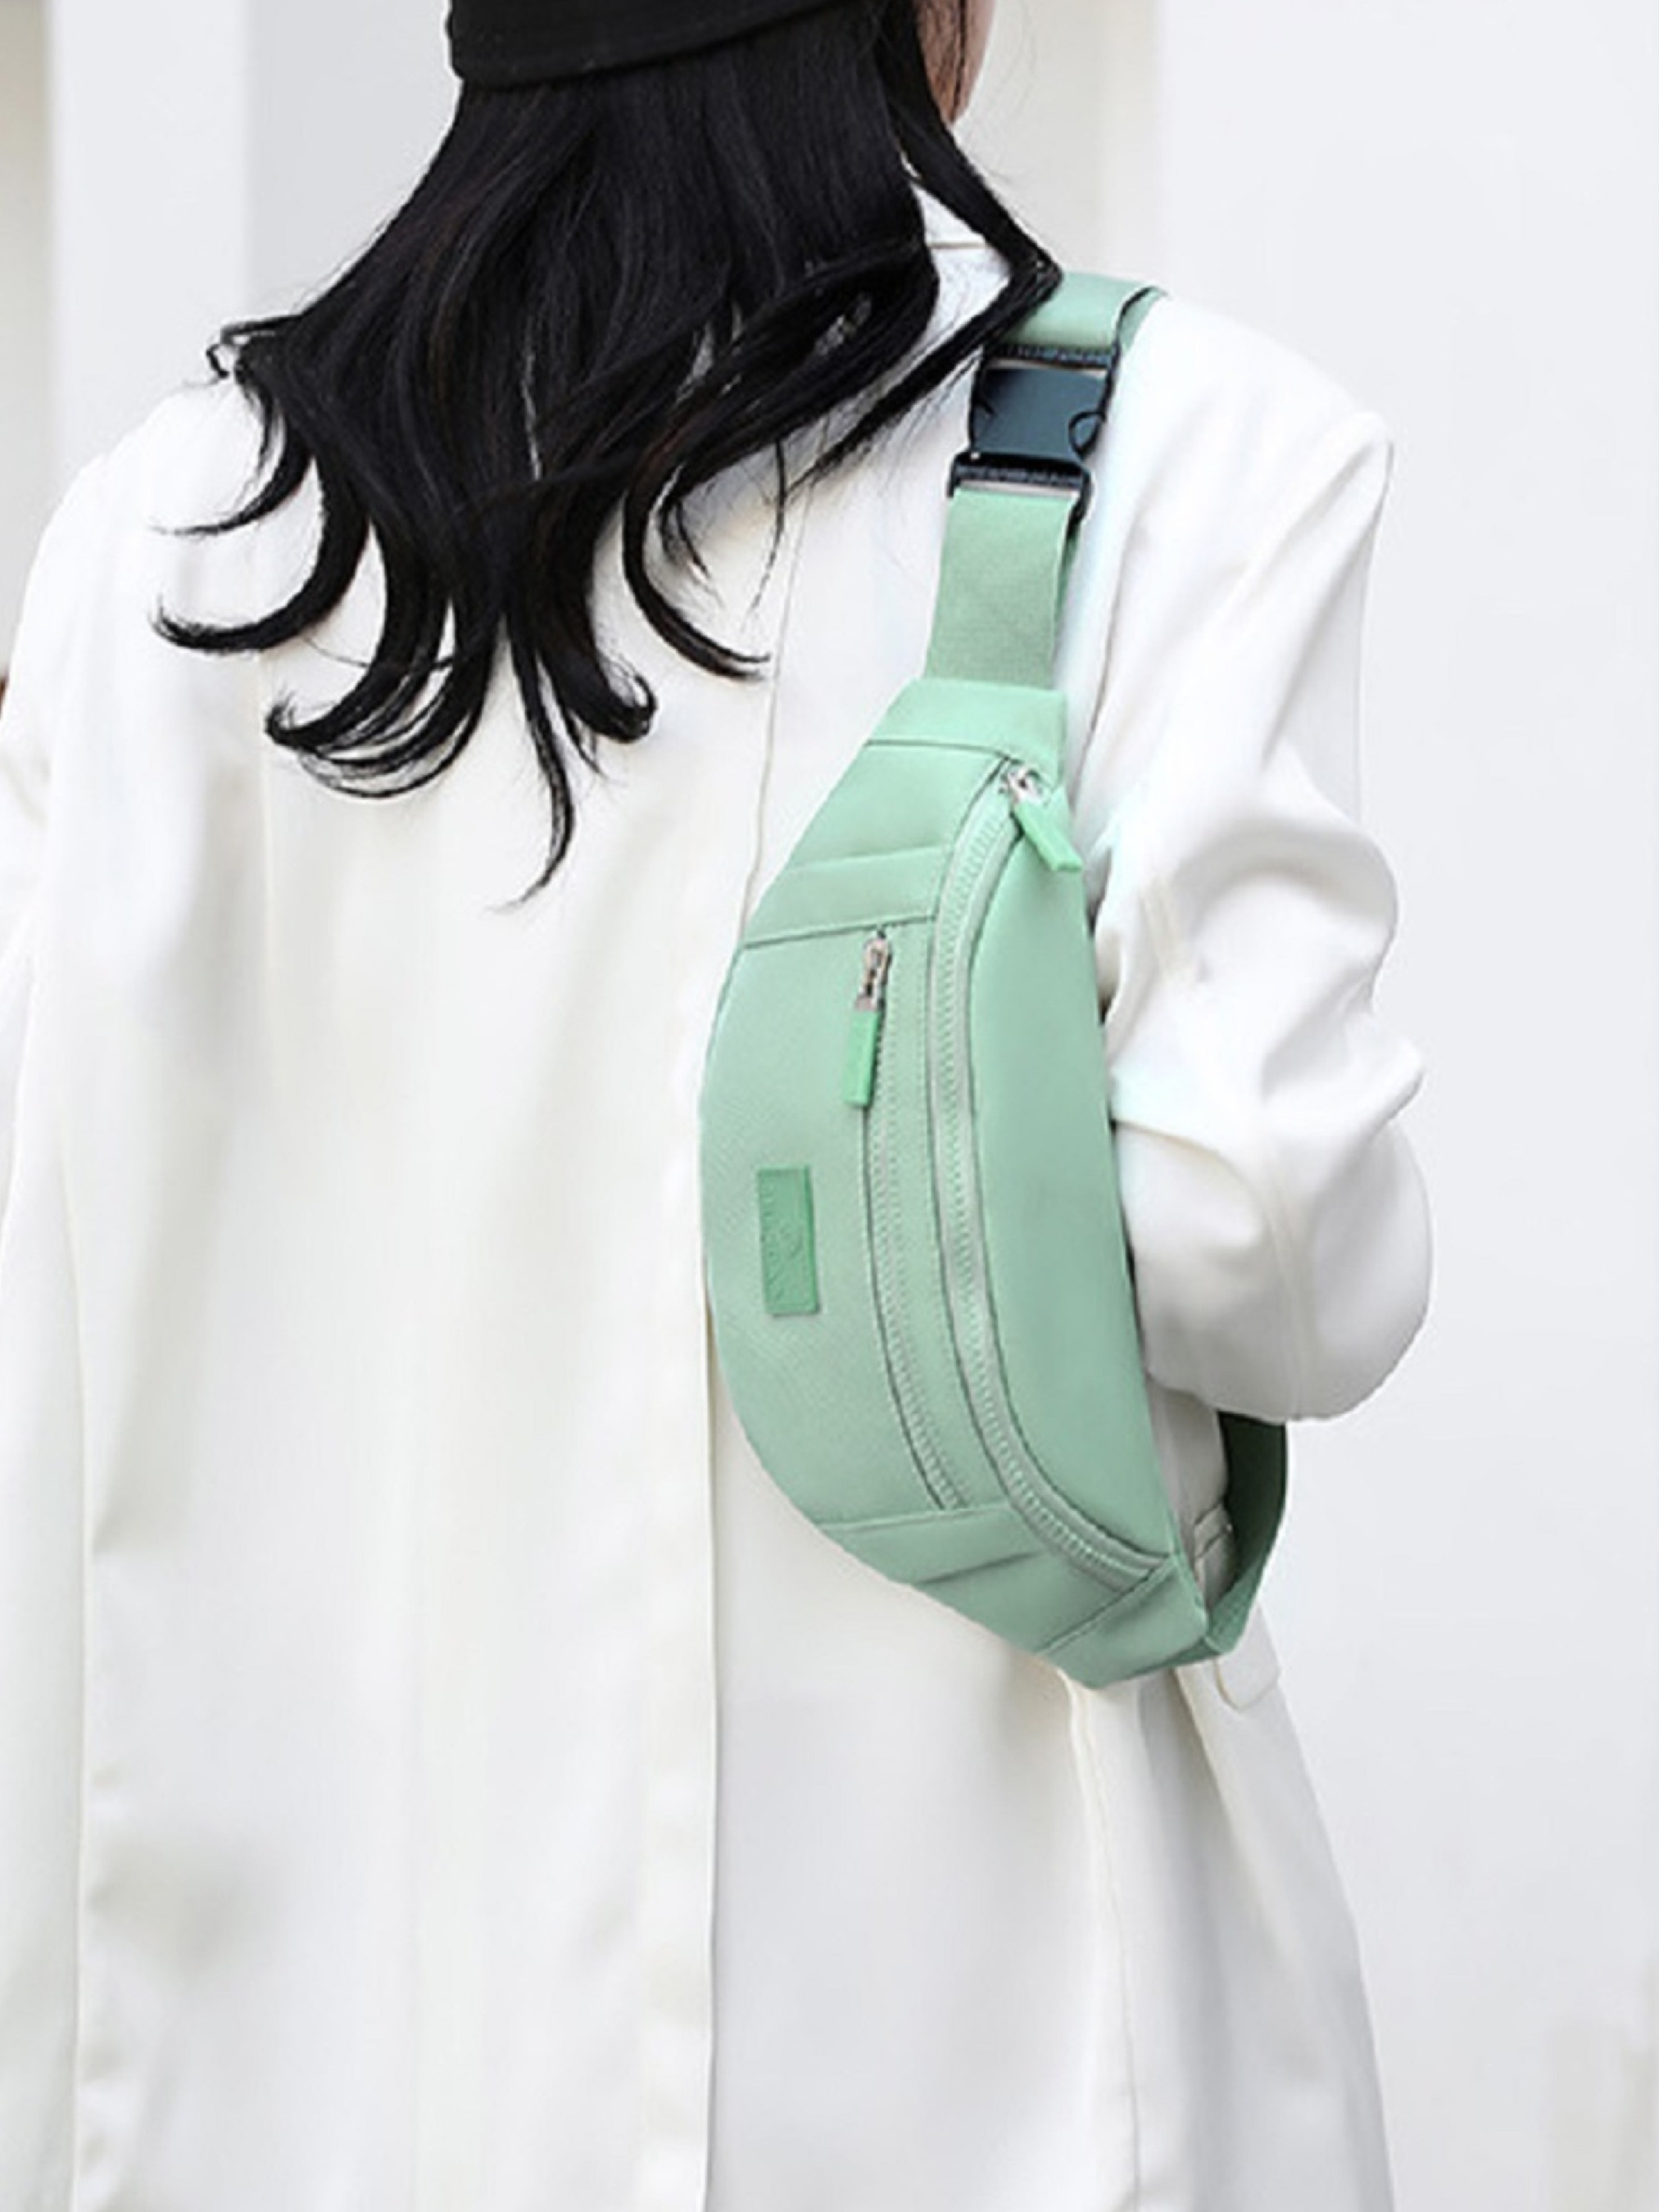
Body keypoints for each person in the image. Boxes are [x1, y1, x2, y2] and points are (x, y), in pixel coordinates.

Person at [0, 2, 1431, 2207]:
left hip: (336, 2042)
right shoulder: (1175, 455)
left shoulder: (170, 543)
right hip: (1005, 2027)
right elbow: (1279, 1252)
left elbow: (63, 1326)